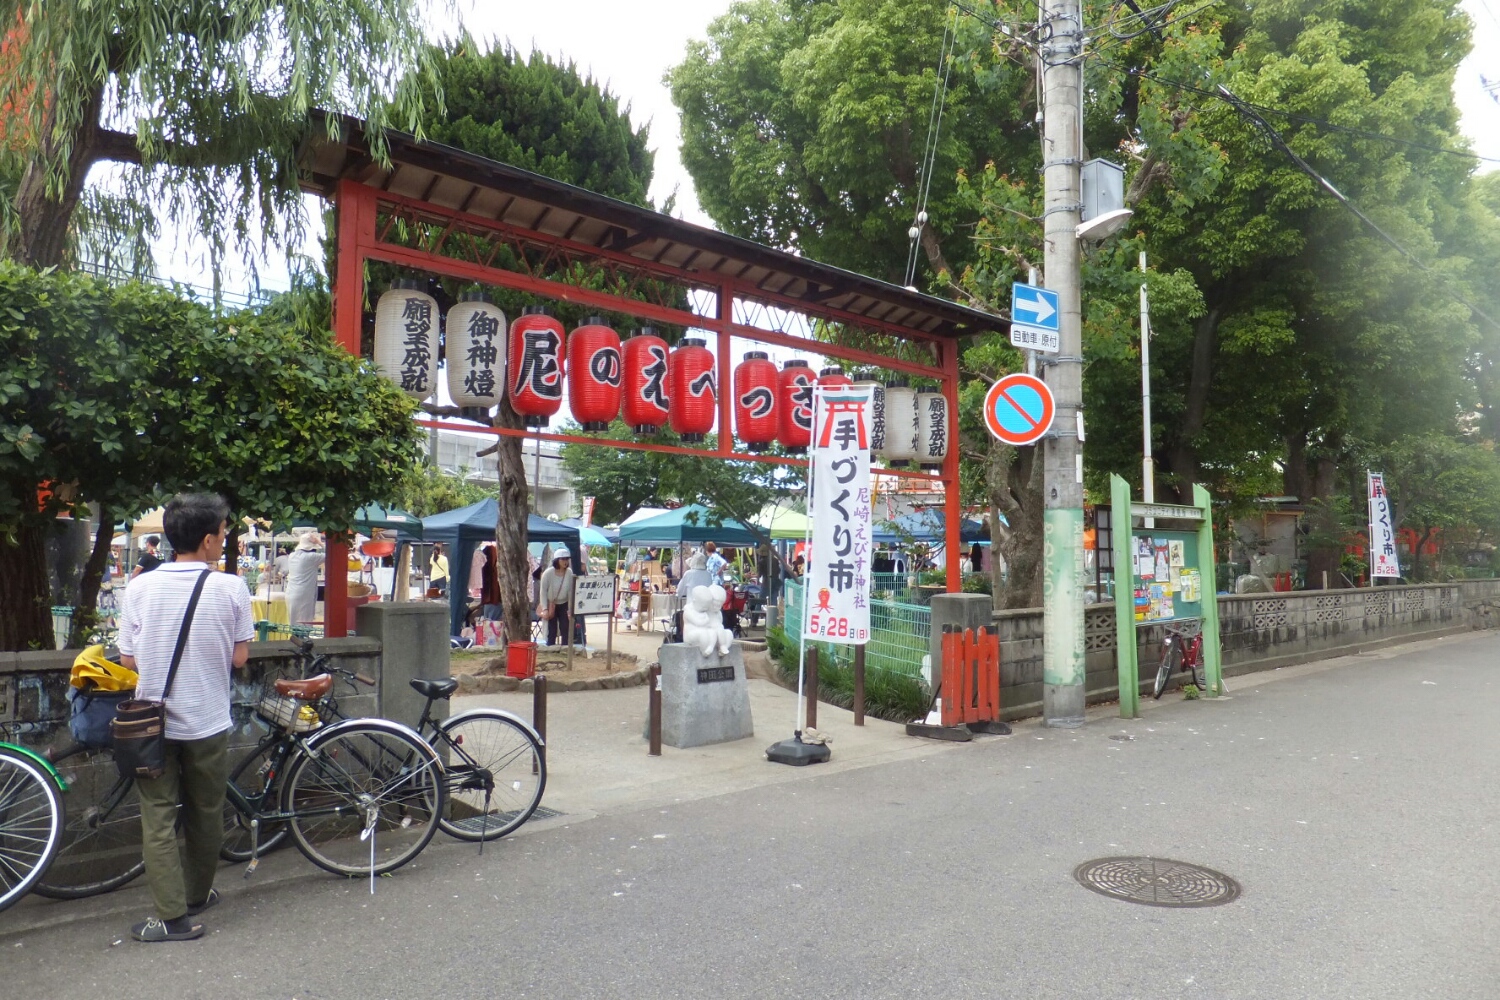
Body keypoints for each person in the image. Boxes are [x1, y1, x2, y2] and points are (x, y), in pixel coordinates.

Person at [117, 493, 253, 943]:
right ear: (209, 540)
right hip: (207, 720)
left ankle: (172, 918)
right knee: (206, 811)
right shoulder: (231, 588)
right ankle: (196, 895)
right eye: (224, 532)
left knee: (157, 816)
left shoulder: (139, 588)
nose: (224, 539)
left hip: (151, 725)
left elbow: (128, 659)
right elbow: (239, 658)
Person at [284, 532, 322, 626]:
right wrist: (319, 542)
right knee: (305, 622)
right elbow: (331, 555)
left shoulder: (292, 556)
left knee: (293, 623)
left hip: (290, 592)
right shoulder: (311, 557)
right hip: (304, 594)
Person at [538, 553, 575, 646]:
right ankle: (551, 648)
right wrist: (545, 609)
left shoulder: (569, 572)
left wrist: (570, 609)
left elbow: (571, 591)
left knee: (565, 628)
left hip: (564, 603)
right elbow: (543, 592)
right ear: (557, 560)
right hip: (551, 604)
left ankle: (565, 649)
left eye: (567, 559)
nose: (565, 562)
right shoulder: (548, 573)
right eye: (563, 559)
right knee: (552, 630)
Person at [480, 544, 501, 620]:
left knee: (489, 621)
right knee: (491, 621)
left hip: (490, 597)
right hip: (494, 598)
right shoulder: (495, 566)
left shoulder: (487, 567)